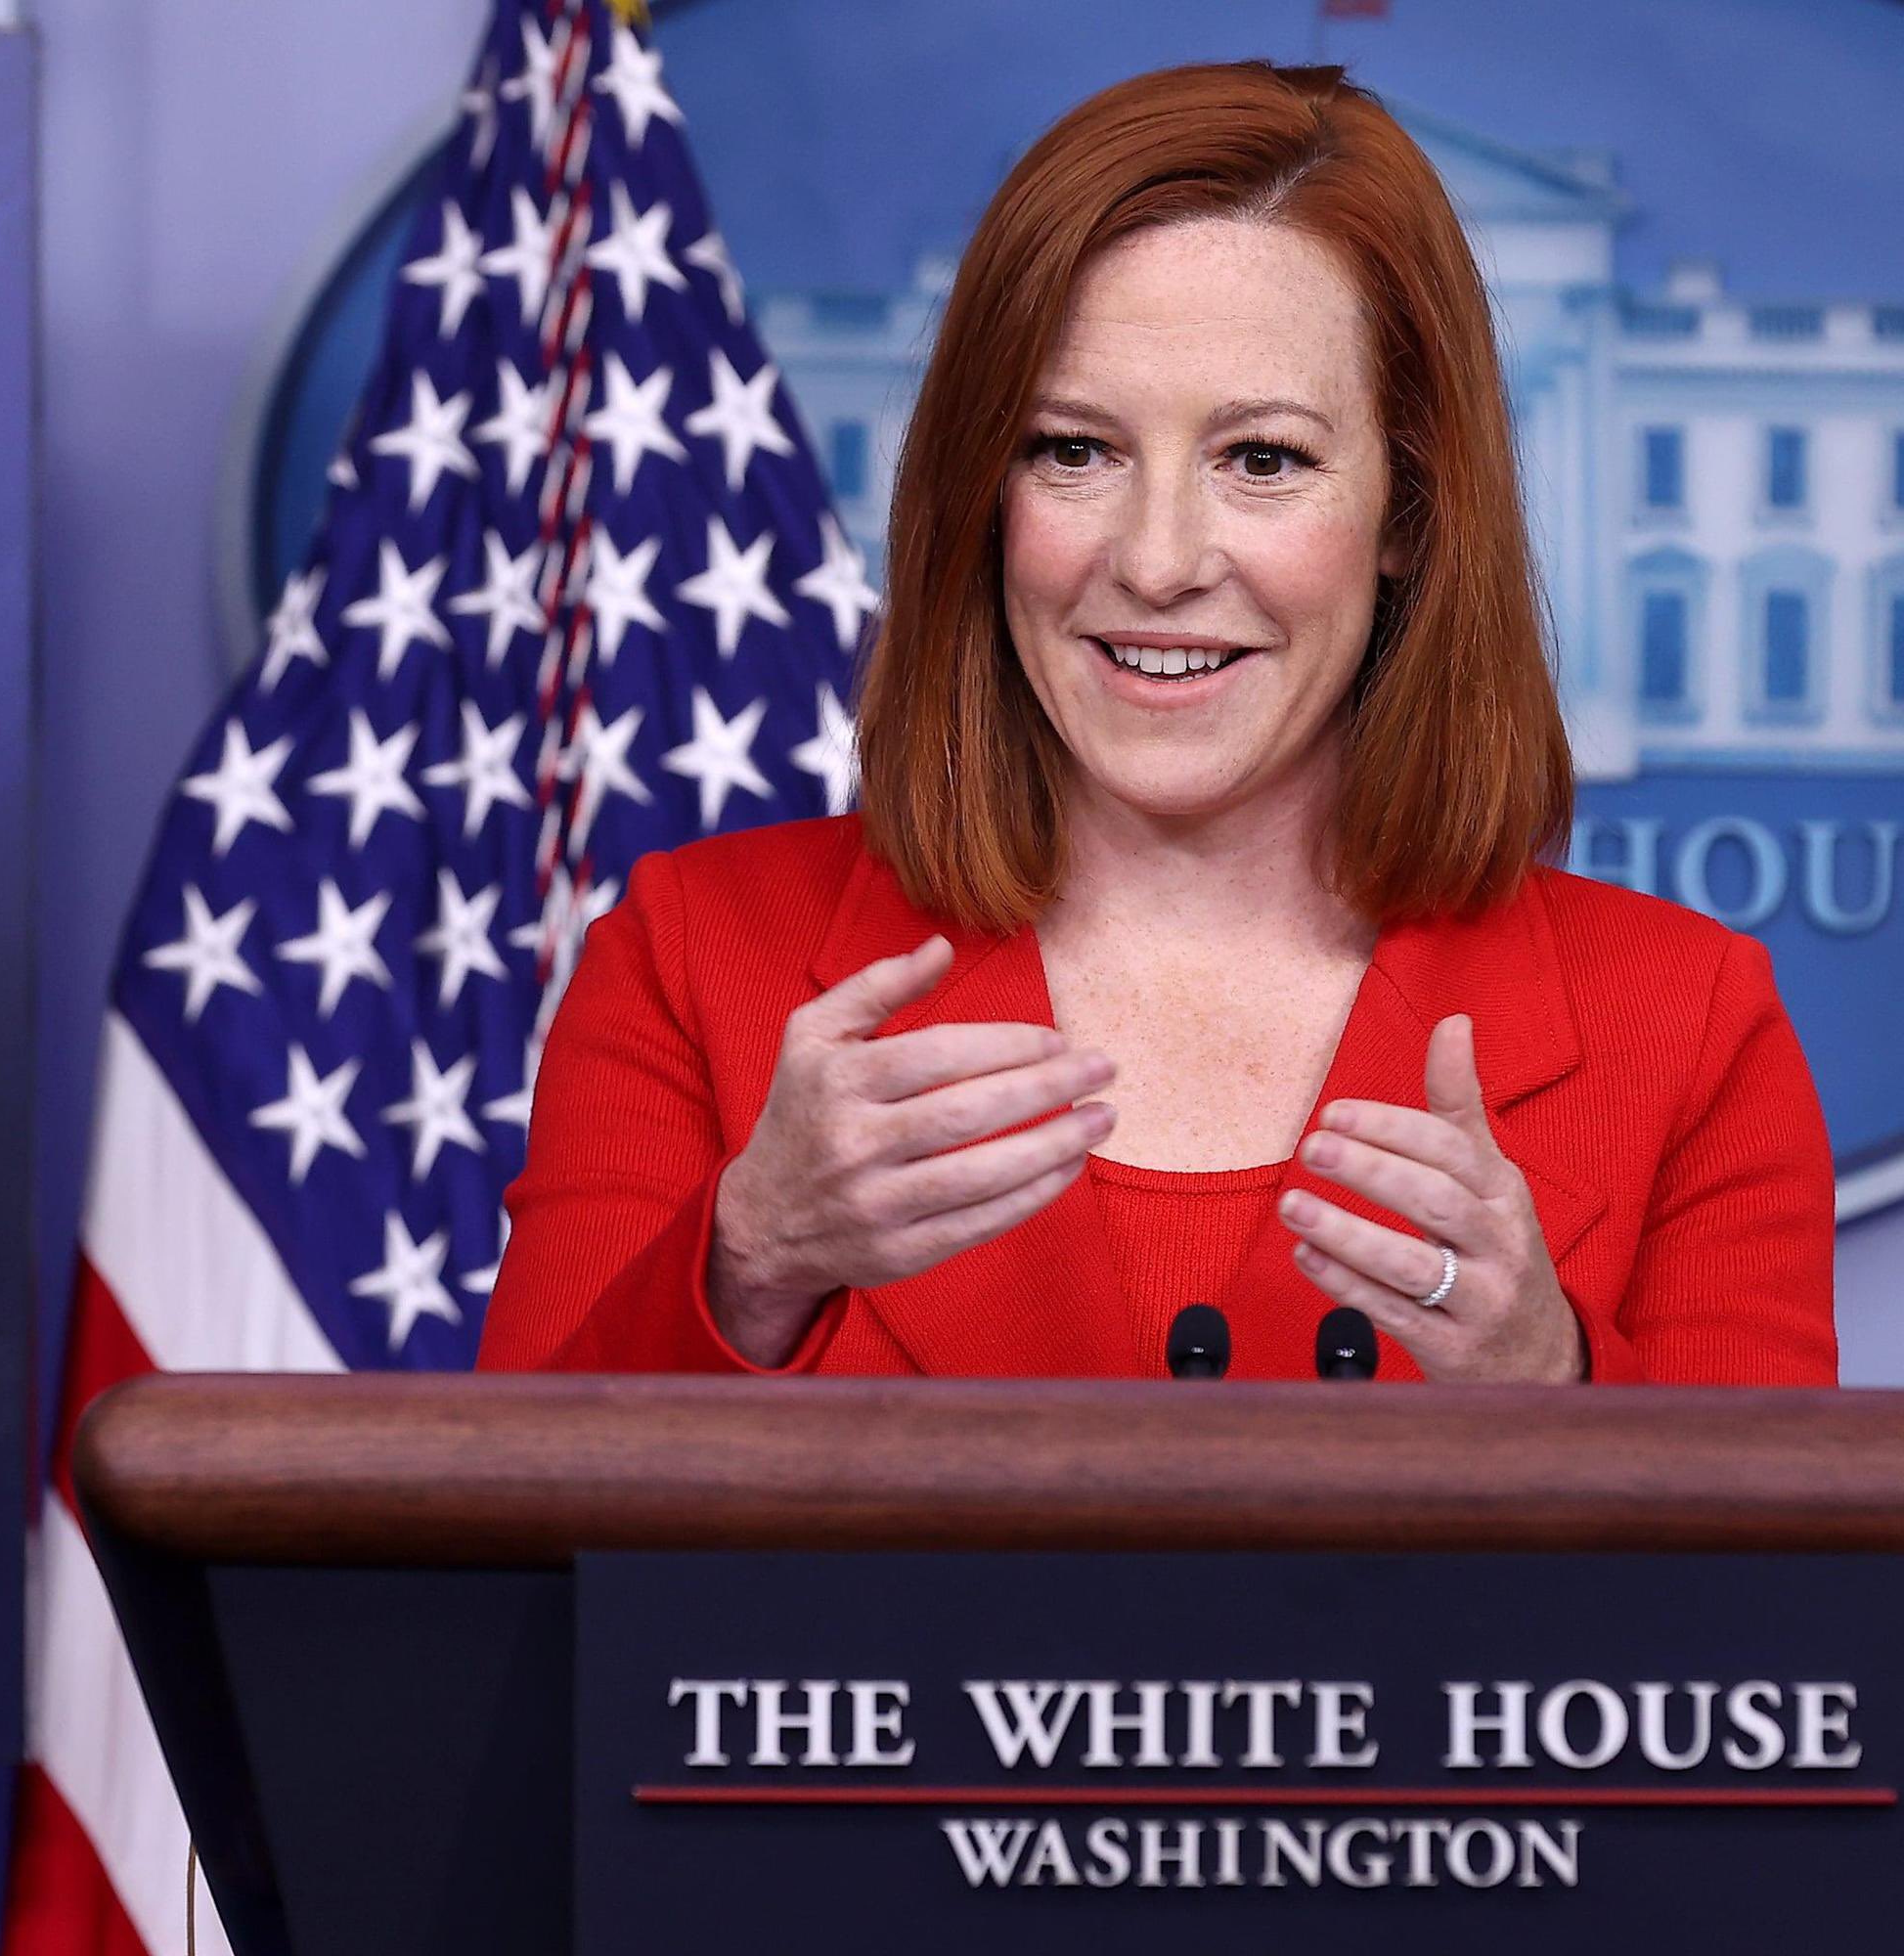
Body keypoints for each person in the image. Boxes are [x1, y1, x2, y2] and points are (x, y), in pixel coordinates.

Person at [475, 61, 1837, 1386]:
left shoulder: (1688, 1026)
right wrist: (749, 1262)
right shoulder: (695, 959)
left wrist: (1551, 1383)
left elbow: (1763, 1547)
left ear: (1409, 515)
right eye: (1075, 449)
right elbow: (518, 1526)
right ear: (984, 494)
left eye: (1264, 460)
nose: (1159, 561)